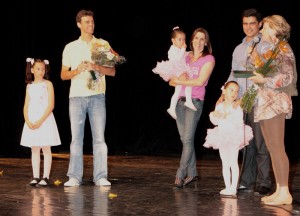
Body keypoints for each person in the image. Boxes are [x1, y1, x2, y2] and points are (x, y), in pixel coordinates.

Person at [217, 8, 272, 195]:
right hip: (239, 103)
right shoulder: (238, 49)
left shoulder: (265, 45)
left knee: (260, 142)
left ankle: (264, 181)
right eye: (245, 24)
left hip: (259, 100)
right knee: (244, 142)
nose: (248, 27)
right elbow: (233, 73)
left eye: (252, 23)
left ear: (260, 24)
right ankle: (247, 181)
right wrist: (224, 92)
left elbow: (267, 71)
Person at [61, 9, 116, 187]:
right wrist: (77, 70)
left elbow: (113, 71)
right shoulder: (70, 47)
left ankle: (100, 176)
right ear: (79, 24)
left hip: (97, 96)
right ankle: (74, 176)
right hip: (76, 97)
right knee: (76, 139)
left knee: (99, 138)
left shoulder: (102, 44)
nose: (91, 25)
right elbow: (63, 75)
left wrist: (96, 67)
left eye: (92, 22)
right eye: (87, 22)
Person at [249, 14, 297, 205]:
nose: (261, 30)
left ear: (276, 28)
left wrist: (264, 80)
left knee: (277, 147)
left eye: (265, 26)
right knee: (271, 147)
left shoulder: (284, 49)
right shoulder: (273, 50)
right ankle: (280, 189)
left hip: (276, 101)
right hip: (266, 101)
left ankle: (285, 192)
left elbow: (288, 77)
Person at [169, 27, 215, 188]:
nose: (199, 42)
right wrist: (172, 79)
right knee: (185, 140)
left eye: (202, 39)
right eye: (196, 38)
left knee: (187, 139)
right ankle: (193, 173)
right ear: (192, 40)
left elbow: (200, 81)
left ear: (206, 42)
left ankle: (180, 173)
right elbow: (171, 77)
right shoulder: (184, 56)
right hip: (179, 102)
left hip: (194, 102)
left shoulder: (209, 59)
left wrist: (179, 81)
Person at [204, 81, 253, 196]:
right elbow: (215, 121)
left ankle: (233, 188)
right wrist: (214, 115)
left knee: (233, 162)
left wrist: (228, 116)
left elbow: (239, 122)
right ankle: (227, 187)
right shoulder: (219, 104)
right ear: (224, 91)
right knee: (225, 163)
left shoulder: (237, 105)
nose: (234, 93)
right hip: (222, 135)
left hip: (233, 135)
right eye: (231, 90)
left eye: (236, 91)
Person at [20, 58, 61, 187]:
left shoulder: (48, 84)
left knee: (46, 148)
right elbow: (26, 105)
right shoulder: (29, 86)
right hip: (32, 119)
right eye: (38, 69)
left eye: (43, 69)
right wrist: (27, 120)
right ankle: (36, 176)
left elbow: (51, 105)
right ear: (32, 70)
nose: (41, 71)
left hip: (45, 119)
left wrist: (41, 121)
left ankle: (45, 177)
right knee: (35, 148)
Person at [153, 26, 196, 120]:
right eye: (179, 39)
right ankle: (182, 103)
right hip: (177, 70)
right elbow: (177, 59)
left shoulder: (179, 49)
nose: (182, 41)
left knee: (180, 89)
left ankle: (174, 107)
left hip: (181, 69)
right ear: (173, 40)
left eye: (183, 39)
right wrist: (183, 50)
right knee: (186, 85)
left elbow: (184, 55)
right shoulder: (172, 49)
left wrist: (188, 52)